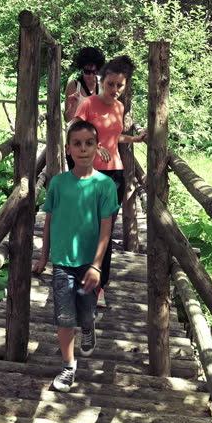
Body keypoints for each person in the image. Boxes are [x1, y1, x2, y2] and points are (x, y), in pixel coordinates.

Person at [32, 120, 120, 393]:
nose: (83, 149)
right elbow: (48, 222)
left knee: (85, 309)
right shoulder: (58, 183)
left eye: (89, 143)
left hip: (88, 263)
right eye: (77, 144)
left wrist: (96, 266)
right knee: (63, 316)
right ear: (68, 149)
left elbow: (107, 228)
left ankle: (89, 324)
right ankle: (69, 366)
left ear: (97, 148)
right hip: (62, 262)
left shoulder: (105, 185)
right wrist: (44, 256)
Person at [70, 55, 146, 306]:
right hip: (89, 175)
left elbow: (114, 138)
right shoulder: (88, 105)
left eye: (120, 86)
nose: (115, 90)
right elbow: (75, 135)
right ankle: (80, 279)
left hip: (114, 176)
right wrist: (95, 145)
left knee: (104, 233)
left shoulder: (119, 107)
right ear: (102, 81)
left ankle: (99, 286)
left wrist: (135, 140)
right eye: (111, 84)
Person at [64, 47, 106, 123]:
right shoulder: (73, 86)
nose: (91, 75)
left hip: (97, 131)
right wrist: (73, 106)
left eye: (94, 72)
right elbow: (67, 119)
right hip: (77, 131)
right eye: (87, 71)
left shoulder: (103, 84)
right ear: (82, 68)